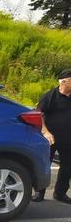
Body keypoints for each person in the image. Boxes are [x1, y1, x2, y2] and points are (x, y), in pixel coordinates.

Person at [32, 69, 71, 204]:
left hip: (68, 138)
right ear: (64, 82)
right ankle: (39, 193)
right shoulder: (50, 96)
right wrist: (45, 132)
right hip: (50, 138)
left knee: (67, 166)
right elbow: (38, 114)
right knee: (44, 164)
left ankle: (60, 193)